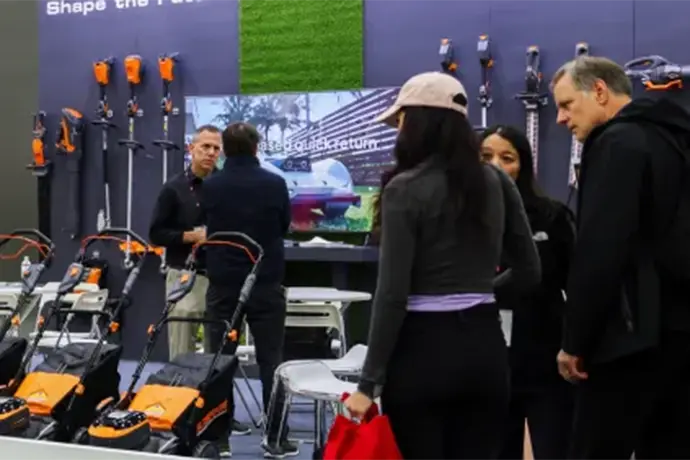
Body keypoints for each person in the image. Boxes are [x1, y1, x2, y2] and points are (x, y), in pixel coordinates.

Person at [344, 71, 542, 460]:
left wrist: (368, 384)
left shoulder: (404, 188)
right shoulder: (495, 181)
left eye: (400, 121)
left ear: (417, 124)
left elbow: (392, 294)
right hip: (485, 350)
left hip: (421, 353)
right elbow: (530, 270)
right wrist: (479, 294)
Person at [551, 55, 690, 460]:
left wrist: (575, 340)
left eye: (566, 105)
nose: (560, 119)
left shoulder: (616, 143)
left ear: (599, 91)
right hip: (680, 335)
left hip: (628, 341)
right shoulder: (675, 139)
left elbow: (601, 247)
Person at [148, 124, 253, 448]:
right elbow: (156, 234)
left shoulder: (227, 186)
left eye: (216, 148)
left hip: (221, 279)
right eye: (205, 146)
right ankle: (178, 415)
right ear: (190, 148)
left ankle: (218, 415)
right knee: (181, 348)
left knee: (218, 354)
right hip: (185, 275)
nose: (210, 153)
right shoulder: (173, 189)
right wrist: (190, 236)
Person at [200, 122, 297, 458]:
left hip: (223, 284)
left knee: (219, 359)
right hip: (265, 282)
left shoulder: (211, 186)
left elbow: (208, 225)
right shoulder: (275, 183)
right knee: (272, 361)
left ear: (224, 150)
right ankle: (276, 438)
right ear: (256, 148)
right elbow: (284, 225)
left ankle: (219, 437)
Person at [480, 125, 576, 460]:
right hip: (487, 364)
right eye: (486, 156)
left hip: (546, 360)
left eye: (507, 157)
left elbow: (577, 286)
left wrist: (574, 345)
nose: (496, 165)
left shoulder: (552, 217)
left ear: (523, 164)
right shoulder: (461, 218)